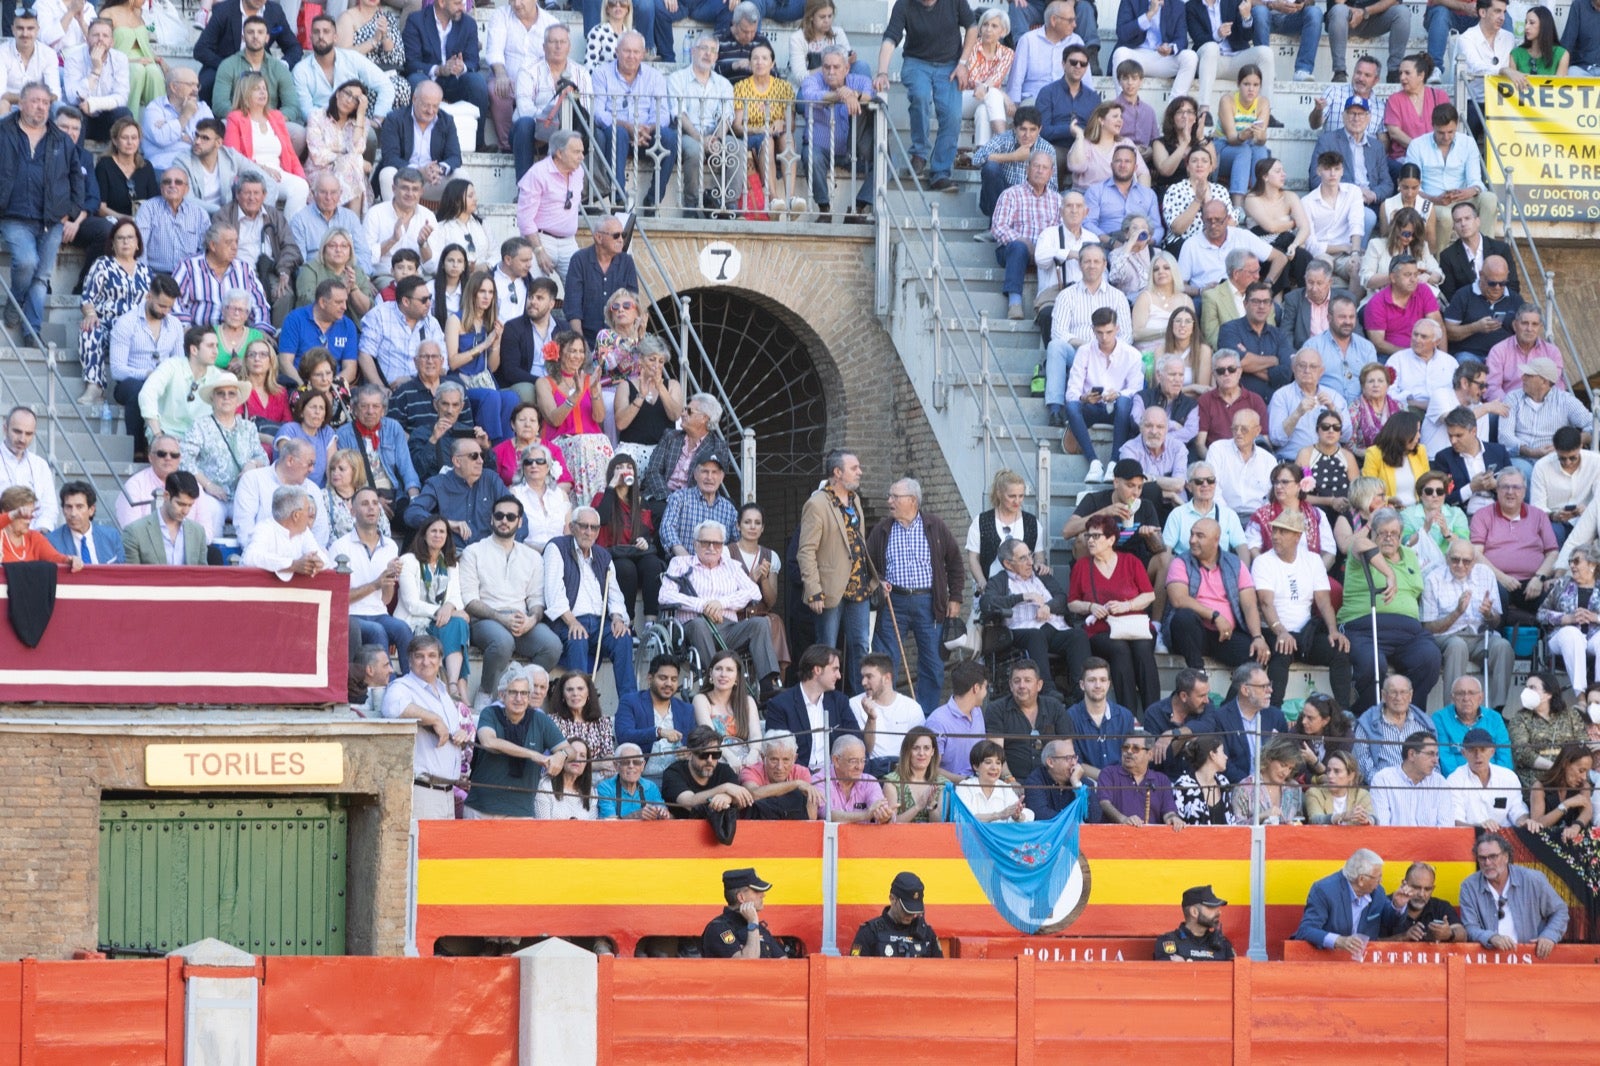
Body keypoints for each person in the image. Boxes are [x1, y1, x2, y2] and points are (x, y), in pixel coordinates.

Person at [866, 477, 964, 712]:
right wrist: (878, 581)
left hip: (928, 602)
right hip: (893, 601)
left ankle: (925, 715)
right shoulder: (882, 530)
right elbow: (867, 565)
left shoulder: (935, 526)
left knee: (932, 662)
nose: (889, 501)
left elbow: (955, 563)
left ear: (912, 500)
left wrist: (956, 598)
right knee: (886, 660)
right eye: (890, 496)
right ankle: (886, 711)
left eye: (894, 497)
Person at [0, 83, 82, 336]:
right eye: (35, 101)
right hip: (13, 216)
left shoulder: (60, 138)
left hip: (52, 218)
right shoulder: (3, 131)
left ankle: (32, 331)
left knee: (41, 277)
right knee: (27, 263)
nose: (41, 107)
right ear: (21, 103)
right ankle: (14, 304)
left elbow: (76, 176)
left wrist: (73, 209)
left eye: (46, 102)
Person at [873, 0, 976, 193]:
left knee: (952, 116)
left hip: (950, 64)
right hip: (916, 62)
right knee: (920, 96)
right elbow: (890, 38)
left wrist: (963, 62)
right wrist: (882, 72)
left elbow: (972, 27)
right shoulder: (904, 4)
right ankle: (919, 154)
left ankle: (941, 173)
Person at [981, 537, 1088, 702]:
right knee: (1035, 635)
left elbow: (1061, 597)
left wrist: (1048, 607)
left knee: (1077, 636)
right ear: (1008, 564)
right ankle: (1047, 690)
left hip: (1053, 627)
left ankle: (1081, 690)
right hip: (1021, 632)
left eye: (1030, 555)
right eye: (1023, 558)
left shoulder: (1040, 575)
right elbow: (987, 602)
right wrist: (1023, 597)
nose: (1030, 562)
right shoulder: (1000, 580)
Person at [542, 506, 633, 694]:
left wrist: (617, 618)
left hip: (600, 624)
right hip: (567, 621)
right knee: (577, 637)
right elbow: (553, 593)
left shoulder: (603, 555)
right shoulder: (556, 547)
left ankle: (629, 703)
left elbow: (614, 594)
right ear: (572, 527)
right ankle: (580, 707)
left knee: (623, 637)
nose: (589, 532)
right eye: (584, 526)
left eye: (594, 527)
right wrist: (572, 622)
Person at [463, 666, 571, 819]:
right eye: (513, 692)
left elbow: (569, 750)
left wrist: (562, 755)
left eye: (524, 693)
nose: (519, 698)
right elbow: (489, 742)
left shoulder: (540, 720)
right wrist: (533, 755)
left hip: (521, 812)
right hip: (480, 809)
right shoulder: (490, 713)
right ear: (502, 695)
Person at [381, 634, 469, 820]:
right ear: (410, 660)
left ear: (440, 660)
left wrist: (459, 734)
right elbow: (392, 707)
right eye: (419, 656)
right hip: (423, 792)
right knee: (423, 849)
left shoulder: (444, 691)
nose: (426, 661)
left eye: (432, 656)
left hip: (447, 793)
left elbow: (448, 732)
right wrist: (434, 719)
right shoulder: (402, 686)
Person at [396, 514, 473, 700]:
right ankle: (458, 691)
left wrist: (449, 606)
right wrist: (441, 611)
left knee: (459, 624)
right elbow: (411, 603)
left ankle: (452, 683)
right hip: (414, 622)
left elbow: (456, 597)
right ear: (423, 534)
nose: (438, 535)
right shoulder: (409, 561)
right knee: (457, 624)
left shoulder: (449, 563)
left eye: (442, 532)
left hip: (441, 621)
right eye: (434, 531)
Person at [1405, 104, 1498, 253]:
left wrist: (1470, 191)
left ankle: (1487, 253)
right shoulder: (1417, 145)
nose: (1446, 137)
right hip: (1432, 201)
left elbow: (1476, 180)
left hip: (1462, 198)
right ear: (1432, 125)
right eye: (1441, 132)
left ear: (1457, 126)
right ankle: (1440, 260)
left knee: (1490, 199)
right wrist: (1435, 199)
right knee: (1445, 216)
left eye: (1451, 132)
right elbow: (1413, 187)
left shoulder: (1467, 143)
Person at [1457, 834, 1567, 955]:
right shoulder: (1469, 886)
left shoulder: (1533, 879)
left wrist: (1549, 935)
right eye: (1482, 858)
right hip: (1490, 958)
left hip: (1531, 956)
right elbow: (1470, 927)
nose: (1487, 863)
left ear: (1506, 857)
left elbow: (1560, 911)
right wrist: (1491, 937)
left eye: (1493, 856)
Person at [1294, 849, 1409, 956]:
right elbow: (1306, 930)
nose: (1381, 881)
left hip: (1363, 964)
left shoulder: (1377, 891)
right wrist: (1339, 940)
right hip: (1327, 960)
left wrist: (1398, 906)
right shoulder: (1324, 890)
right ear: (1361, 880)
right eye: (1378, 878)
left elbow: (1390, 922)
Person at [991, 152, 1061, 321]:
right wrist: (1024, 241)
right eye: (1036, 166)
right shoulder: (1011, 194)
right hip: (1014, 250)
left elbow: (1061, 232)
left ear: (1051, 173)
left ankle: (1049, 306)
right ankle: (1014, 303)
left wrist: (1044, 249)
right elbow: (998, 227)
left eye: (1045, 168)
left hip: (1044, 252)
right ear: (1027, 169)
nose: (1040, 171)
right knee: (1018, 247)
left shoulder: (1058, 200)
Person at [1508, 671, 1586, 790]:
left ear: (1548, 693)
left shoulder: (1570, 715)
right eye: (1526, 687)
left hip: (1568, 779)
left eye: (1532, 688)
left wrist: (1569, 768)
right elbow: (1522, 753)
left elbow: (1582, 745)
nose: (1526, 692)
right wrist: (1555, 767)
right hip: (1534, 783)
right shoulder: (1520, 718)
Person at [1446, 726, 1527, 829]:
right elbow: (1456, 822)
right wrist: (1480, 828)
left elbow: (1518, 811)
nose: (1478, 755)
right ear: (1463, 753)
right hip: (1471, 838)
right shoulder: (1454, 780)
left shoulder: (1508, 777)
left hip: (1505, 839)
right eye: (1472, 750)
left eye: (1483, 749)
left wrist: (1525, 822)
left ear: (1492, 751)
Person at [123, 470, 208, 564]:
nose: (185, 511)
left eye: (190, 505)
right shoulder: (135, 532)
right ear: (166, 496)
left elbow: (202, 575)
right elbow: (132, 576)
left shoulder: (198, 532)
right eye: (180, 504)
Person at [701, 867, 786, 959]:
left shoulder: (759, 928)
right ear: (741, 897)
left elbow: (783, 963)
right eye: (756, 891)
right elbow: (747, 965)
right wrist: (752, 923)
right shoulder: (720, 928)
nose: (763, 895)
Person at [1370, 731, 1451, 826]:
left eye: (1437, 754)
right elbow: (1382, 827)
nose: (1436, 761)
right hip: (1394, 840)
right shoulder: (1383, 780)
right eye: (1430, 754)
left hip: (1432, 841)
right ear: (1412, 754)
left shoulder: (1440, 783)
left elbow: (1446, 827)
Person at [925, 659, 989, 780]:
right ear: (976, 688)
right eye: (985, 687)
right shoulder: (938, 721)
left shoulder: (977, 712)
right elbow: (930, 768)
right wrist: (963, 781)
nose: (986, 692)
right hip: (948, 791)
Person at [955, 739, 1034, 822]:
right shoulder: (965, 787)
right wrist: (998, 815)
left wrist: (1018, 816)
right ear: (975, 766)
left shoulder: (1005, 788)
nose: (994, 768)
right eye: (988, 762)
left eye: (998, 763)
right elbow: (964, 817)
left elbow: (1029, 814)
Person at [1153, 885, 1235, 960]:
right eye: (1211, 907)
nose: (1219, 912)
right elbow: (1168, 973)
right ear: (1194, 912)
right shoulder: (1169, 941)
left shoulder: (1223, 944)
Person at [1303, 750, 1375, 825]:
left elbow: (1374, 819)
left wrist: (1366, 820)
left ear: (1351, 776)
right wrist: (1341, 816)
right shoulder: (1314, 793)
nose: (1330, 776)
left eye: (1337, 771)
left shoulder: (1362, 795)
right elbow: (1315, 820)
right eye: (1328, 770)